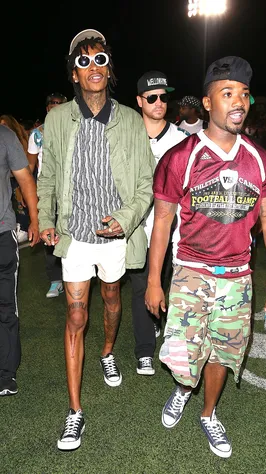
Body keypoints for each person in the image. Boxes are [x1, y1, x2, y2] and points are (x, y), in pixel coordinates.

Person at [145, 56, 266, 459]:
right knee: (183, 355)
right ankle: (181, 389)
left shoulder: (260, 160)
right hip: (191, 270)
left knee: (222, 354)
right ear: (208, 103)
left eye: (243, 94)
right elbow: (161, 223)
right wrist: (154, 279)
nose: (238, 101)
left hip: (238, 275)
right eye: (227, 94)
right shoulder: (181, 158)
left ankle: (208, 413)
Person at [37, 28, 154, 451]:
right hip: (74, 236)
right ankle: (75, 412)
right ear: (74, 74)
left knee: (111, 299)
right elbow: (47, 175)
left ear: (109, 69)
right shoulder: (56, 119)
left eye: (100, 60)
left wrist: (125, 220)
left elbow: (145, 183)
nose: (93, 68)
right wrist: (45, 219)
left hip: (114, 238)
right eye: (84, 62)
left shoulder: (130, 121)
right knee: (75, 315)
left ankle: (107, 350)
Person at [128, 71, 189, 376]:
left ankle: (162, 329)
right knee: (141, 286)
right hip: (138, 228)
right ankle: (144, 351)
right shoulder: (127, 137)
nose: (159, 102)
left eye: (164, 96)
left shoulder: (182, 140)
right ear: (140, 101)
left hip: (172, 231)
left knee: (168, 284)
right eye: (152, 97)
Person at [0, 124, 39, 396]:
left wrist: (35, 219)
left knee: (5, 306)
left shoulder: (5, 136)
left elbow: (25, 178)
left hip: (2, 232)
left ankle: (5, 373)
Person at [28, 92, 67, 298]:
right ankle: (55, 280)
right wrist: (29, 196)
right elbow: (30, 167)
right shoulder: (37, 134)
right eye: (52, 103)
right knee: (49, 234)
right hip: (48, 192)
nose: (56, 106)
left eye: (60, 103)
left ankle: (78, 274)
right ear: (47, 108)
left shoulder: (73, 129)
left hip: (71, 190)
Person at [0, 114, 30, 244]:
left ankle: (23, 226)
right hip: (10, 177)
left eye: (5, 124)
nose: (2, 127)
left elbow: (24, 167)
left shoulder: (15, 139)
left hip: (18, 177)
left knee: (20, 202)